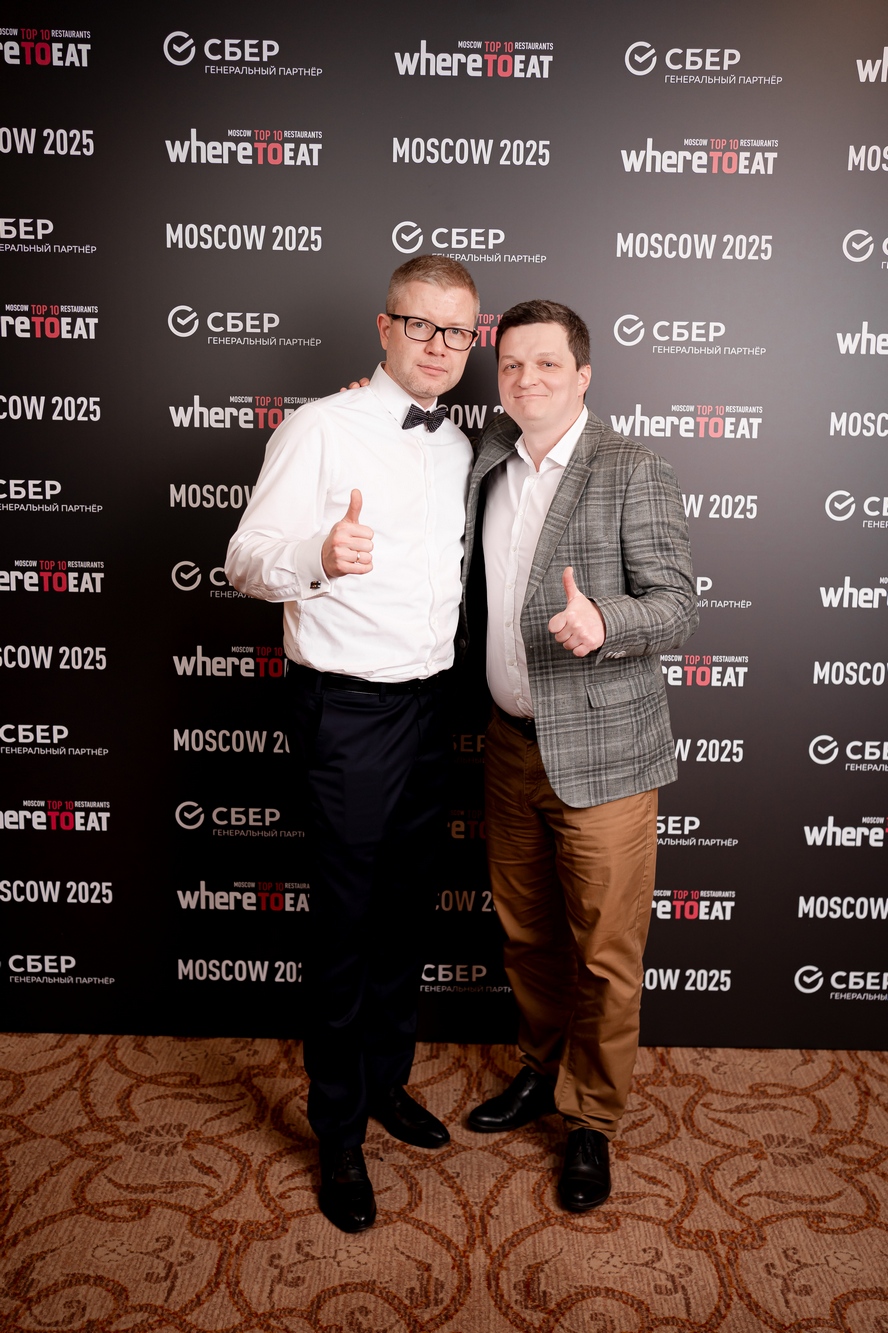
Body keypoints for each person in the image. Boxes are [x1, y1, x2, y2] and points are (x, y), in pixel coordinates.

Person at [225, 255, 480, 1233]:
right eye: (421, 325)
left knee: (404, 915)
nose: (439, 346)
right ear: (384, 327)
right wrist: (318, 557)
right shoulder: (320, 428)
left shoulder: (459, 446)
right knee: (344, 924)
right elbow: (244, 559)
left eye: (457, 332)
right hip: (348, 711)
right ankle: (336, 1128)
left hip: (430, 707)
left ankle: (384, 1083)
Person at [462, 299, 697, 1211]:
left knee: (603, 951)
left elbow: (677, 604)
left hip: (606, 753)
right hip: (508, 745)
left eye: (547, 364)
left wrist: (606, 621)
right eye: (512, 365)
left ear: (584, 374)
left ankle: (592, 1117)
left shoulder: (632, 466)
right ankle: (540, 1066)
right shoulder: (487, 458)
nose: (527, 379)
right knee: (526, 934)